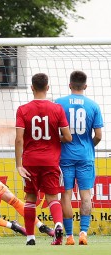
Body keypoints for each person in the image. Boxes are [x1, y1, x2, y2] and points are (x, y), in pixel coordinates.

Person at [15, 73, 73, 246]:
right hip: (50, 161)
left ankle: (30, 237)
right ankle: (57, 225)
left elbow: (18, 139)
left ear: (32, 88)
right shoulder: (57, 109)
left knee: (30, 199)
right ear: (47, 88)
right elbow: (68, 137)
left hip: (30, 162)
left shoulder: (22, 109)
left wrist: (18, 164)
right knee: (52, 198)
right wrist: (55, 138)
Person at [55, 71, 103, 245]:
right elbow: (98, 135)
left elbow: (54, 132)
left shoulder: (59, 103)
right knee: (86, 195)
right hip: (85, 156)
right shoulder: (93, 106)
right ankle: (83, 232)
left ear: (69, 85)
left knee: (66, 195)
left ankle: (69, 236)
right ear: (85, 86)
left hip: (64, 156)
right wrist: (88, 146)